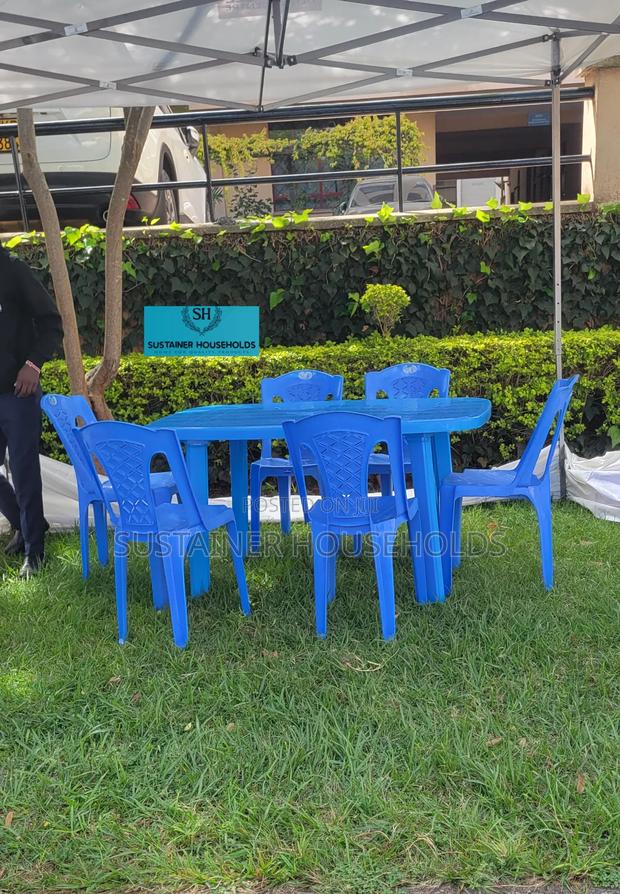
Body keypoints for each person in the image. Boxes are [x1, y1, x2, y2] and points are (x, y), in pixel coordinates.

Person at [0, 245, 63, 577]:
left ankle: (34, 551)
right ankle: (28, 524)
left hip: (17, 392)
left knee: (24, 472)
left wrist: (33, 364)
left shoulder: (13, 270)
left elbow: (52, 323)